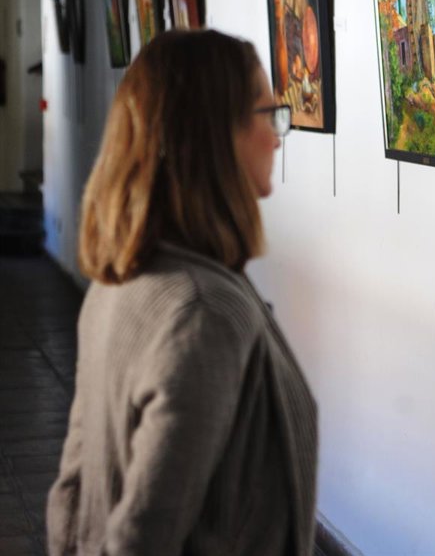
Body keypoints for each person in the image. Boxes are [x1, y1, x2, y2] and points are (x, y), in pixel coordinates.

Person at [47, 29, 317, 555]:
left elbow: (71, 495)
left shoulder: (120, 280)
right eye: (268, 114)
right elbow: (143, 535)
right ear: (215, 136)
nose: (278, 137)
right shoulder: (202, 312)